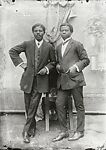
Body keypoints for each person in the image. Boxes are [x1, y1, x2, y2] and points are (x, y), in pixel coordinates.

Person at [9, 23, 56, 143]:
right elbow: (12, 51)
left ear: (44, 32)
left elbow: (53, 62)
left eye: (40, 31)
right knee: (28, 104)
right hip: (27, 80)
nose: (38, 33)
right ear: (33, 32)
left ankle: (25, 131)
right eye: (36, 31)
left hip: (41, 81)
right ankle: (32, 127)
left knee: (33, 105)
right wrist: (22, 64)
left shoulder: (49, 46)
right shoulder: (27, 44)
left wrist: (46, 69)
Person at [53, 23, 90, 142]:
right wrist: (58, 66)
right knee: (59, 104)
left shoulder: (77, 44)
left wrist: (76, 67)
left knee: (79, 105)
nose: (63, 32)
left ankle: (80, 131)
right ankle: (64, 131)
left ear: (71, 31)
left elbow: (85, 60)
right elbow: (58, 62)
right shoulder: (58, 47)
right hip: (63, 81)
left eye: (66, 30)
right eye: (61, 30)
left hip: (75, 79)